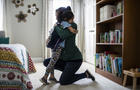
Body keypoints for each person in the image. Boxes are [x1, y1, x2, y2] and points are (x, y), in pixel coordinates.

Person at [43, 6, 95, 85]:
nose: (56, 17)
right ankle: (67, 72)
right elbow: (53, 36)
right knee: (46, 62)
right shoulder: (59, 25)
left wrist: (56, 27)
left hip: (74, 59)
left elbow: (63, 35)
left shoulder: (72, 25)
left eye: (57, 15)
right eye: (56, 15)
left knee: (63, 81)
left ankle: (85, 74)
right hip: (64, 60)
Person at [40, 7, 78, 85]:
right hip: (58, 46)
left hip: (53, 44)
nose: (56, 17)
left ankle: (52, 76)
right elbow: (70, 28)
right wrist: (73, 30)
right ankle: (44, 77)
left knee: (52, 61)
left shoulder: (58, 23)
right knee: (52, 62)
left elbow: (51, 31)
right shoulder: (63, 23)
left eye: (56, 15)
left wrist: (48, 38)